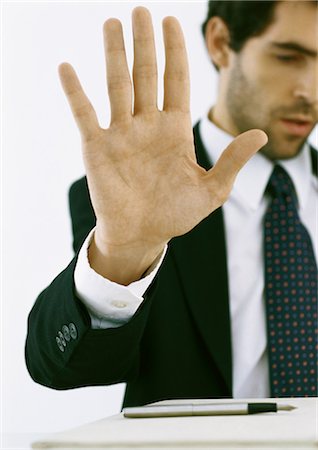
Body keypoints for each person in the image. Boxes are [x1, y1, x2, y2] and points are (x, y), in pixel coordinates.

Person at [25, 1, 317, 407]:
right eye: (288, 57)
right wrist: (122, 258)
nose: (310, 90)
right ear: (220, 42)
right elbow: (62, 367)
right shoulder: (126, 194)